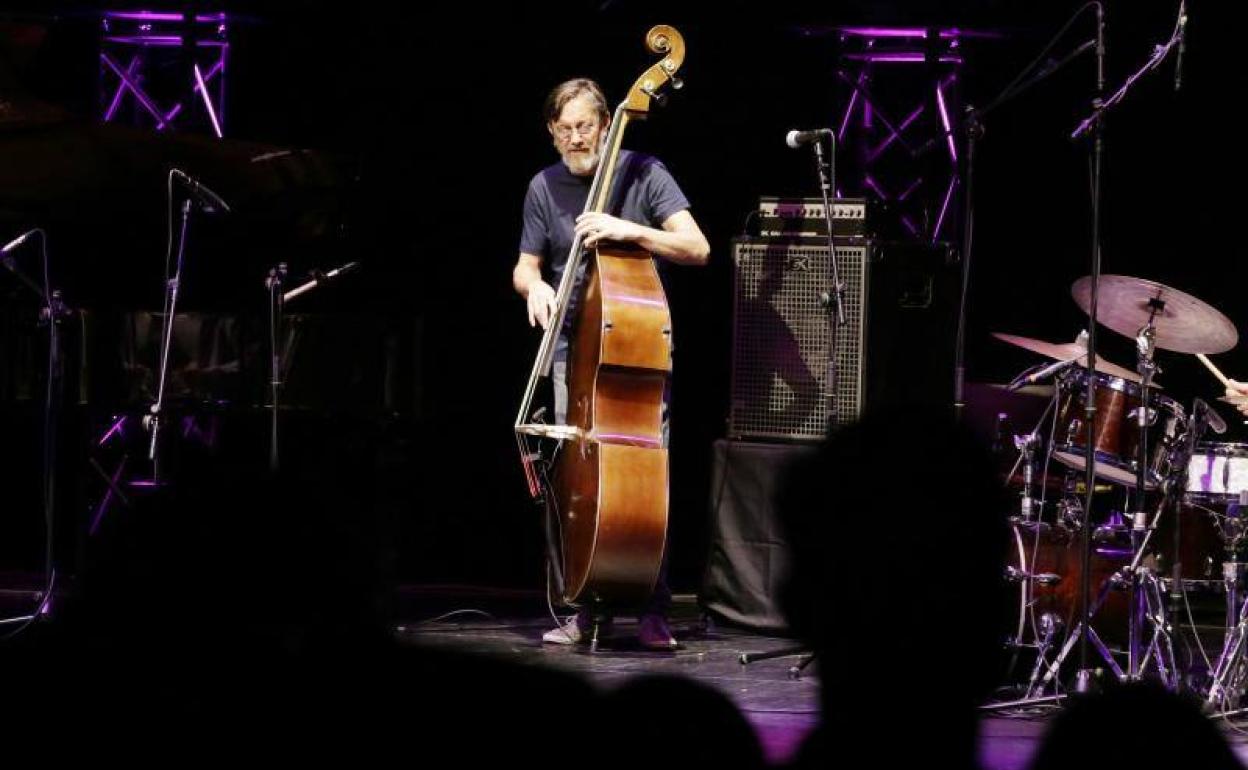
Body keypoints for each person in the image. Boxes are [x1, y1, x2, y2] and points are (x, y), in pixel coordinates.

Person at [511, 78, 709, 650]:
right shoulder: (543, 188)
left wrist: (630, 229)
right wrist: (533, 290)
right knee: (574, 481)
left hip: (633, 347)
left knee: (645, 478)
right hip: (569, 349)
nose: (577, 138)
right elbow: (526, 266)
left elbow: (697, 248)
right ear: (551, 133)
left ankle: (652, 607)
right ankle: (582, 607)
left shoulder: (645, 172)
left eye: (586, 127)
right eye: (565, 129)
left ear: (605, 124)